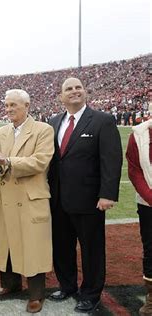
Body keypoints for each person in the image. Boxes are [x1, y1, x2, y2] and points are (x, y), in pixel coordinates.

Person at [47, 78, 123, 313]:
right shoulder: (52, 122)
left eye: (78, 87)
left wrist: (107, 194)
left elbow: (111, 160)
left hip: (89, 199)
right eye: (68, 88)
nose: (74, 91)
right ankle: (67, 285)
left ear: (85, 93)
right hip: (58, 199)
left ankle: (91, 293)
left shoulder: (103, 121)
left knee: (91, 249)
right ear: (61, 96)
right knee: (62, 246)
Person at [0, 89, 54, 313]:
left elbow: (39, 162)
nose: (9, 109)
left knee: (32, 245)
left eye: (13, 105)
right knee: (5, 242)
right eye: (6, 105)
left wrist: (7, 161)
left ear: (27, 106)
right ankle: (10, 284)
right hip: (5, 196)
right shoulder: (2, 132)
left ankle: (36, 294)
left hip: (29, 196)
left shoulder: (43, 130)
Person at [126, 102, 152, 316]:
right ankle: (151, 297)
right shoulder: (139, 134)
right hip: (148, 203)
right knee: (151, 249)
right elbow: (134, 170)